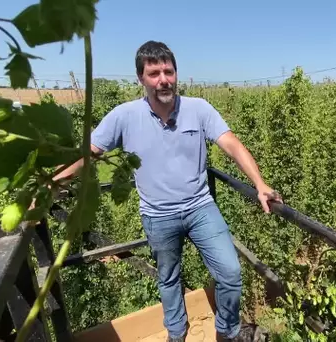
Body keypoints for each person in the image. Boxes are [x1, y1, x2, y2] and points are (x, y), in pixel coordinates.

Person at [49, 40, 282, 341]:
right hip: (158, 216)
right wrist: (50, 185)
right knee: (168, 280)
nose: (163, 79)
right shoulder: (124, 116)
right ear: (141, 79)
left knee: (230, 273)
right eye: (154, 73)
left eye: (168, 71)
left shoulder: (199, 109)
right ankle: (176, 335)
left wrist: (260, 185)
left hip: (201, 209)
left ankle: (227, 332)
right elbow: (88, 152)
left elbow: (232, 144)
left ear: (176, 73)